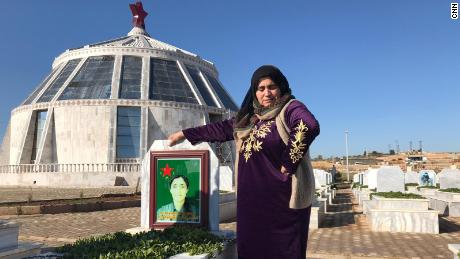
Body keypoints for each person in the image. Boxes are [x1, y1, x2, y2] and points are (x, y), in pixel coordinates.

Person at [168, 65, 320, 259]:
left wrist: (290, 160)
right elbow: (219, 130)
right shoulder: (248, 120)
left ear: (281, 87)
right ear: (254, 92)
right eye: (261, 88)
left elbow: (308, 124)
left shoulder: (290, 108)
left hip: (282, 205)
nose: (267, 93)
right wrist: (185, 134)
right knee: (250, 251)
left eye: (271, 87)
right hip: (251, 205)